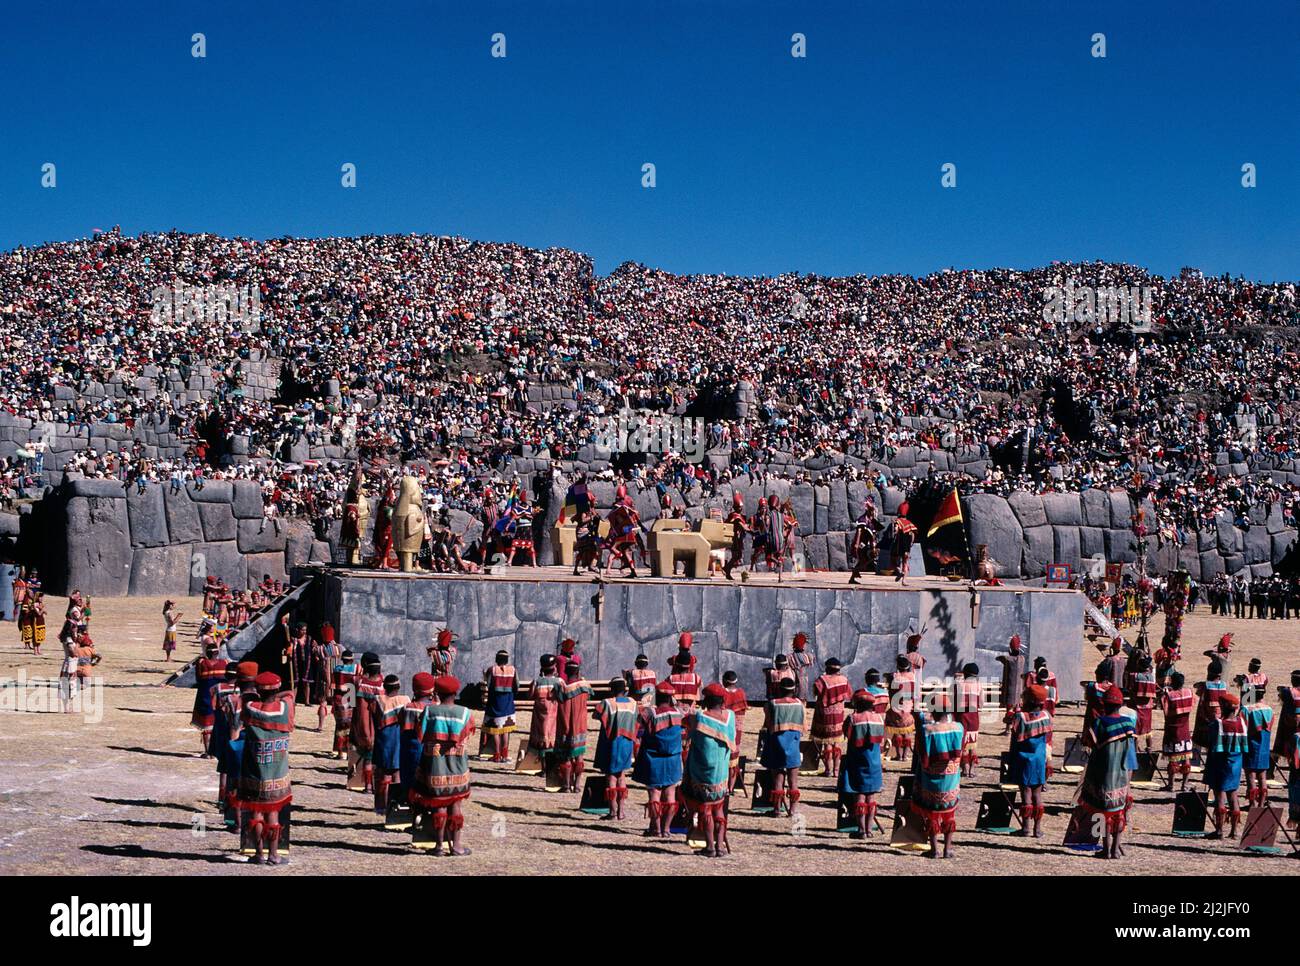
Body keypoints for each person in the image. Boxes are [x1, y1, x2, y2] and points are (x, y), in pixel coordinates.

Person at [408, 676, 475, 856]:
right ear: (456, 692)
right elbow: (469, 731)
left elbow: (419, 732)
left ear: (436, 692)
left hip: (435, 767)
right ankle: (457, 846)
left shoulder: (429, 711)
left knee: (439, 806)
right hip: (458, 767)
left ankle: (439, 846)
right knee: (456, 804)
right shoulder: (464, 712)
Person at [237, 671, 295, 866]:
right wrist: (277, 694)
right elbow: (291, 693)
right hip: (277, 773)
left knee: (256, 813)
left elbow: (245, 696)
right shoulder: (285, 709)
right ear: (277, 689)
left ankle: (258, 854)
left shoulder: (250, 707)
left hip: (254, 772)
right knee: (273, 813)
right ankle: (274, 855)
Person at [1079, 685, 1135, 860]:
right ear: (1120, 704)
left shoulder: (1099, 723)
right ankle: (1116, 849)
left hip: (1102, 775)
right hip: (1123, 774)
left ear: (1105, 704)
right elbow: (1131, 753)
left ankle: (1106, 848)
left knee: (1103, 813)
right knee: (1119, 812)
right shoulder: (1128, 724)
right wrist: (1129, 777)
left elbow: (1089, 744)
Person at [683, 683, 736, 857]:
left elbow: (689, 735)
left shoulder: (700, 718)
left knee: (706, 810)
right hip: (721, 773)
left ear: (706, 700)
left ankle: (710, 847)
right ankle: (720, 846)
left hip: (702, 773)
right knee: (719, 809)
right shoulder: (730, 717)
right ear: (722, 701)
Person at [912, 693, 964, 859]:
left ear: (932, 711)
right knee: (949, 813)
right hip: (951, 779)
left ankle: (934, 849)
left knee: (932, 813)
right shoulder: (959, 727)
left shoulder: (927, 730)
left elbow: (921, 752)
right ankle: (947, 849)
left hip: (931, 779)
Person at [632, 682, 684, 838]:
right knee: (670, 794)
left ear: (656, 696)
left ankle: (656, 828)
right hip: (673, 759)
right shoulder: (679, 713)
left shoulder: (648, 713)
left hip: (652, 759)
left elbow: (636, 730)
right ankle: (666, 829)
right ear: (670, 698)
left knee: (654, 793)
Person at [839, 689, 885, 839]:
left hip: (857, 761)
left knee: (859, 797)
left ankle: (861, 830)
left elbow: (846, 734)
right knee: (871, 797)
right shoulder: (879, 718)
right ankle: (869, 829)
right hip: (874, 763)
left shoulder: (852, 719)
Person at [1007, 684, 1052, 838]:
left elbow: (1014, 733)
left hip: (1023, 759)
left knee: (1025, 792)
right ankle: (1037, 829)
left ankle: (1026, 828)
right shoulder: (1046, 716)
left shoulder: (1021, 717)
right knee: (1037, 793)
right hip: (1039, 759)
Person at [593, 678, 638, 820]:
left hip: (612, 742)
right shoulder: (633, 703)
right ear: (624, 689)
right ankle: (621, 812)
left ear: (611, 690)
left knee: (611, 776)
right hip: (627, 742)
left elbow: (596, 714)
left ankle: (612, 811)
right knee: (622, 775)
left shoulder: (607, 703)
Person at [1203, 692, 1246, 839]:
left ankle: (1219, 830)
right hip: (1236, 764)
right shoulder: (1241, 723)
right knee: (1233, 795)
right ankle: (1234, 831)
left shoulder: (1218, 724)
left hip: (1220, 763)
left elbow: (1210, 740)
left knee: (1219, 796)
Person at [760, 677, 805, 817]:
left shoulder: (772, 703)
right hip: (793, 745)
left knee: (778, 779)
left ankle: (777, 809)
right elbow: (804, 726)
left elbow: (767, 723)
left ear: (780, 689)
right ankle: (792, 810)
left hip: (776, 744)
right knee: (793, 781)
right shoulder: (800, 704)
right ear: (794, 690)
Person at [371, 674, 411, 815]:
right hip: (400, 741)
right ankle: (394, 807)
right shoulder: (405, 700)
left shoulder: (378, 701)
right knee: (397, 776)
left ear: (385, 687)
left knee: (382, 776)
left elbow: (374, 720)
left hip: (383, 742)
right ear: (398, 687)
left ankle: (380, 807)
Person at [555, 662, 594, 793]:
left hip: (564, 725)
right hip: (580, 726)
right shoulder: (584, 686)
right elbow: (589, 696)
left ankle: (566, 786)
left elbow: (555, 697)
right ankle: (577, 785)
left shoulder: (561, 687)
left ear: (565, 672)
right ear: (578, 672)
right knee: (579, 756)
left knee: (565, 756)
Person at [349, 653, 385, 793]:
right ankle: (375, 785)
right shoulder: (382, 683)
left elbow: (351, 702)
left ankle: (367, 785)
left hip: (362, 724)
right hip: (380, 725)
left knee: (366, 755)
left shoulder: (356, 681)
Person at [810, 658, 851, 778]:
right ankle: (837, 771)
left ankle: (828, 770)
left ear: (827, 668)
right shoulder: (844, 680)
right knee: (837, 742)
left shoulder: (822, 680)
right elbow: (848, 694)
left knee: (827, 742)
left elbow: (815, 691)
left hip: (825, 715)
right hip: (838, 715)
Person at [400, 673, 437, 797]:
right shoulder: (436, 708)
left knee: (409, 781)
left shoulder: (407, 708)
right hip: (431, 753)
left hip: (410, 753)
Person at [1160, 670, 1195, 792]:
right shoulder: (1189, 692)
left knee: (1173, 759)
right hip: (1185, 729)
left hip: (1172, 730)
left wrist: (1163, 697)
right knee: (1186, 757)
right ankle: (1184, 785)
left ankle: (1171, 785)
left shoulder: (1169, 696)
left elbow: (1166, 713)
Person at [191, 641, 228, 758]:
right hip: (220, 698)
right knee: (219, 724)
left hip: (205, 696)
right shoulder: (224, 663)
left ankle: (208, 752)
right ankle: (218, 751)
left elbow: (198, 679)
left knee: (206, 726)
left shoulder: (201, 663)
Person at [1241, 681, 1274, 810]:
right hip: (1264, 746)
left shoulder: (1247, 709)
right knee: (1262, 776)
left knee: (1251, 775)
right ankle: (1261, 803)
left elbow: (1242, 727)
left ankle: (1252, 803)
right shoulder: (1270, 709)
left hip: (1251, 744)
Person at [481, 650, 517, 763]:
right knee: (505, 729)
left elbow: (488, 683)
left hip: (494, 702)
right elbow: (517, 685)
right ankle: (504, 755)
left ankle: (496, 754)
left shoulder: (492, 669)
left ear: (497, 659)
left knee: (495, 729)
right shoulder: (513, 670)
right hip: (508, 703)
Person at [528, 654, 564, 764]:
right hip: (554, 717)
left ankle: (542, 768)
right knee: (552, 740)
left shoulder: (537, 681)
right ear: (554, 668)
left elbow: (530, 695)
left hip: (539, 718)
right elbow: (563, 697)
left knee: (541, 740)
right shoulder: (559, 681)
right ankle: (550, 768)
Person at [885, 655, 917, 760]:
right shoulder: (912, 676)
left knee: (897, 731)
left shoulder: (894, 677)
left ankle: (899, 755)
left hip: (896, 708)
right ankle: (905, 756)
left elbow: (890, 690)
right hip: (908, 708)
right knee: (907, 732)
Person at [721, 670, 748, 792]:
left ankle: (723, 786)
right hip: (737, 731)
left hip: (724, 728)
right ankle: (730, 788)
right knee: (733, 760)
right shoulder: (741, 693)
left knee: (723, 757)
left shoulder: (722, 694)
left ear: (724, 681)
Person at [330, 649, 359, 759]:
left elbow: (332, 686)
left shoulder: (337, 670)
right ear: (351, 660)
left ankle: (341, 752)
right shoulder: (356, 669)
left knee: (340, 727)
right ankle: (349, 752)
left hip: (339, 700)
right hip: (351, 699)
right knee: (351, 727)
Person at [955, 662, 982, 778]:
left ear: (965, 674)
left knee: (964, 744)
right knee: (973, 744)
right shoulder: (979, 685)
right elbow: (981, 704)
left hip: (962, 717)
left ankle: (965, 768)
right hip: (974, 717)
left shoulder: (959, 685)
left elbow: (954, 703)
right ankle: (972, 769)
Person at [995, 635, 1026, 734]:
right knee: (1017, 710)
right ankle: (1016, 729)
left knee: (1009, 711)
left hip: (1010, 690)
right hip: (1019, 691)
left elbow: (999, 658)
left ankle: (1008, 729)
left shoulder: (1008, 659)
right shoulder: (1022, 659)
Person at [847, 500, 879, 584]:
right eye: (872, 511)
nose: (873, 512)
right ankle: (854, 573)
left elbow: (873, 534)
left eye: (873, 511)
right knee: (863, 560)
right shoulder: (863, 519)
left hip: (867, 544)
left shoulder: (872, 521)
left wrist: (874, 544)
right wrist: (857, 544)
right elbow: (859, 531)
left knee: (867, 559)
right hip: (861, 543)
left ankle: (854, 574)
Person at [891, 503, 918, 584]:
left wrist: (895, 531)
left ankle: (899, 571)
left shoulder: (898, 521)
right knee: (905, 563)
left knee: (892, 560)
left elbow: (895, 531)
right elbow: (913, 536)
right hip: (907, 547)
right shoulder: (910, 523)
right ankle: (904, 581)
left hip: (899, 545)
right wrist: (910, 544)